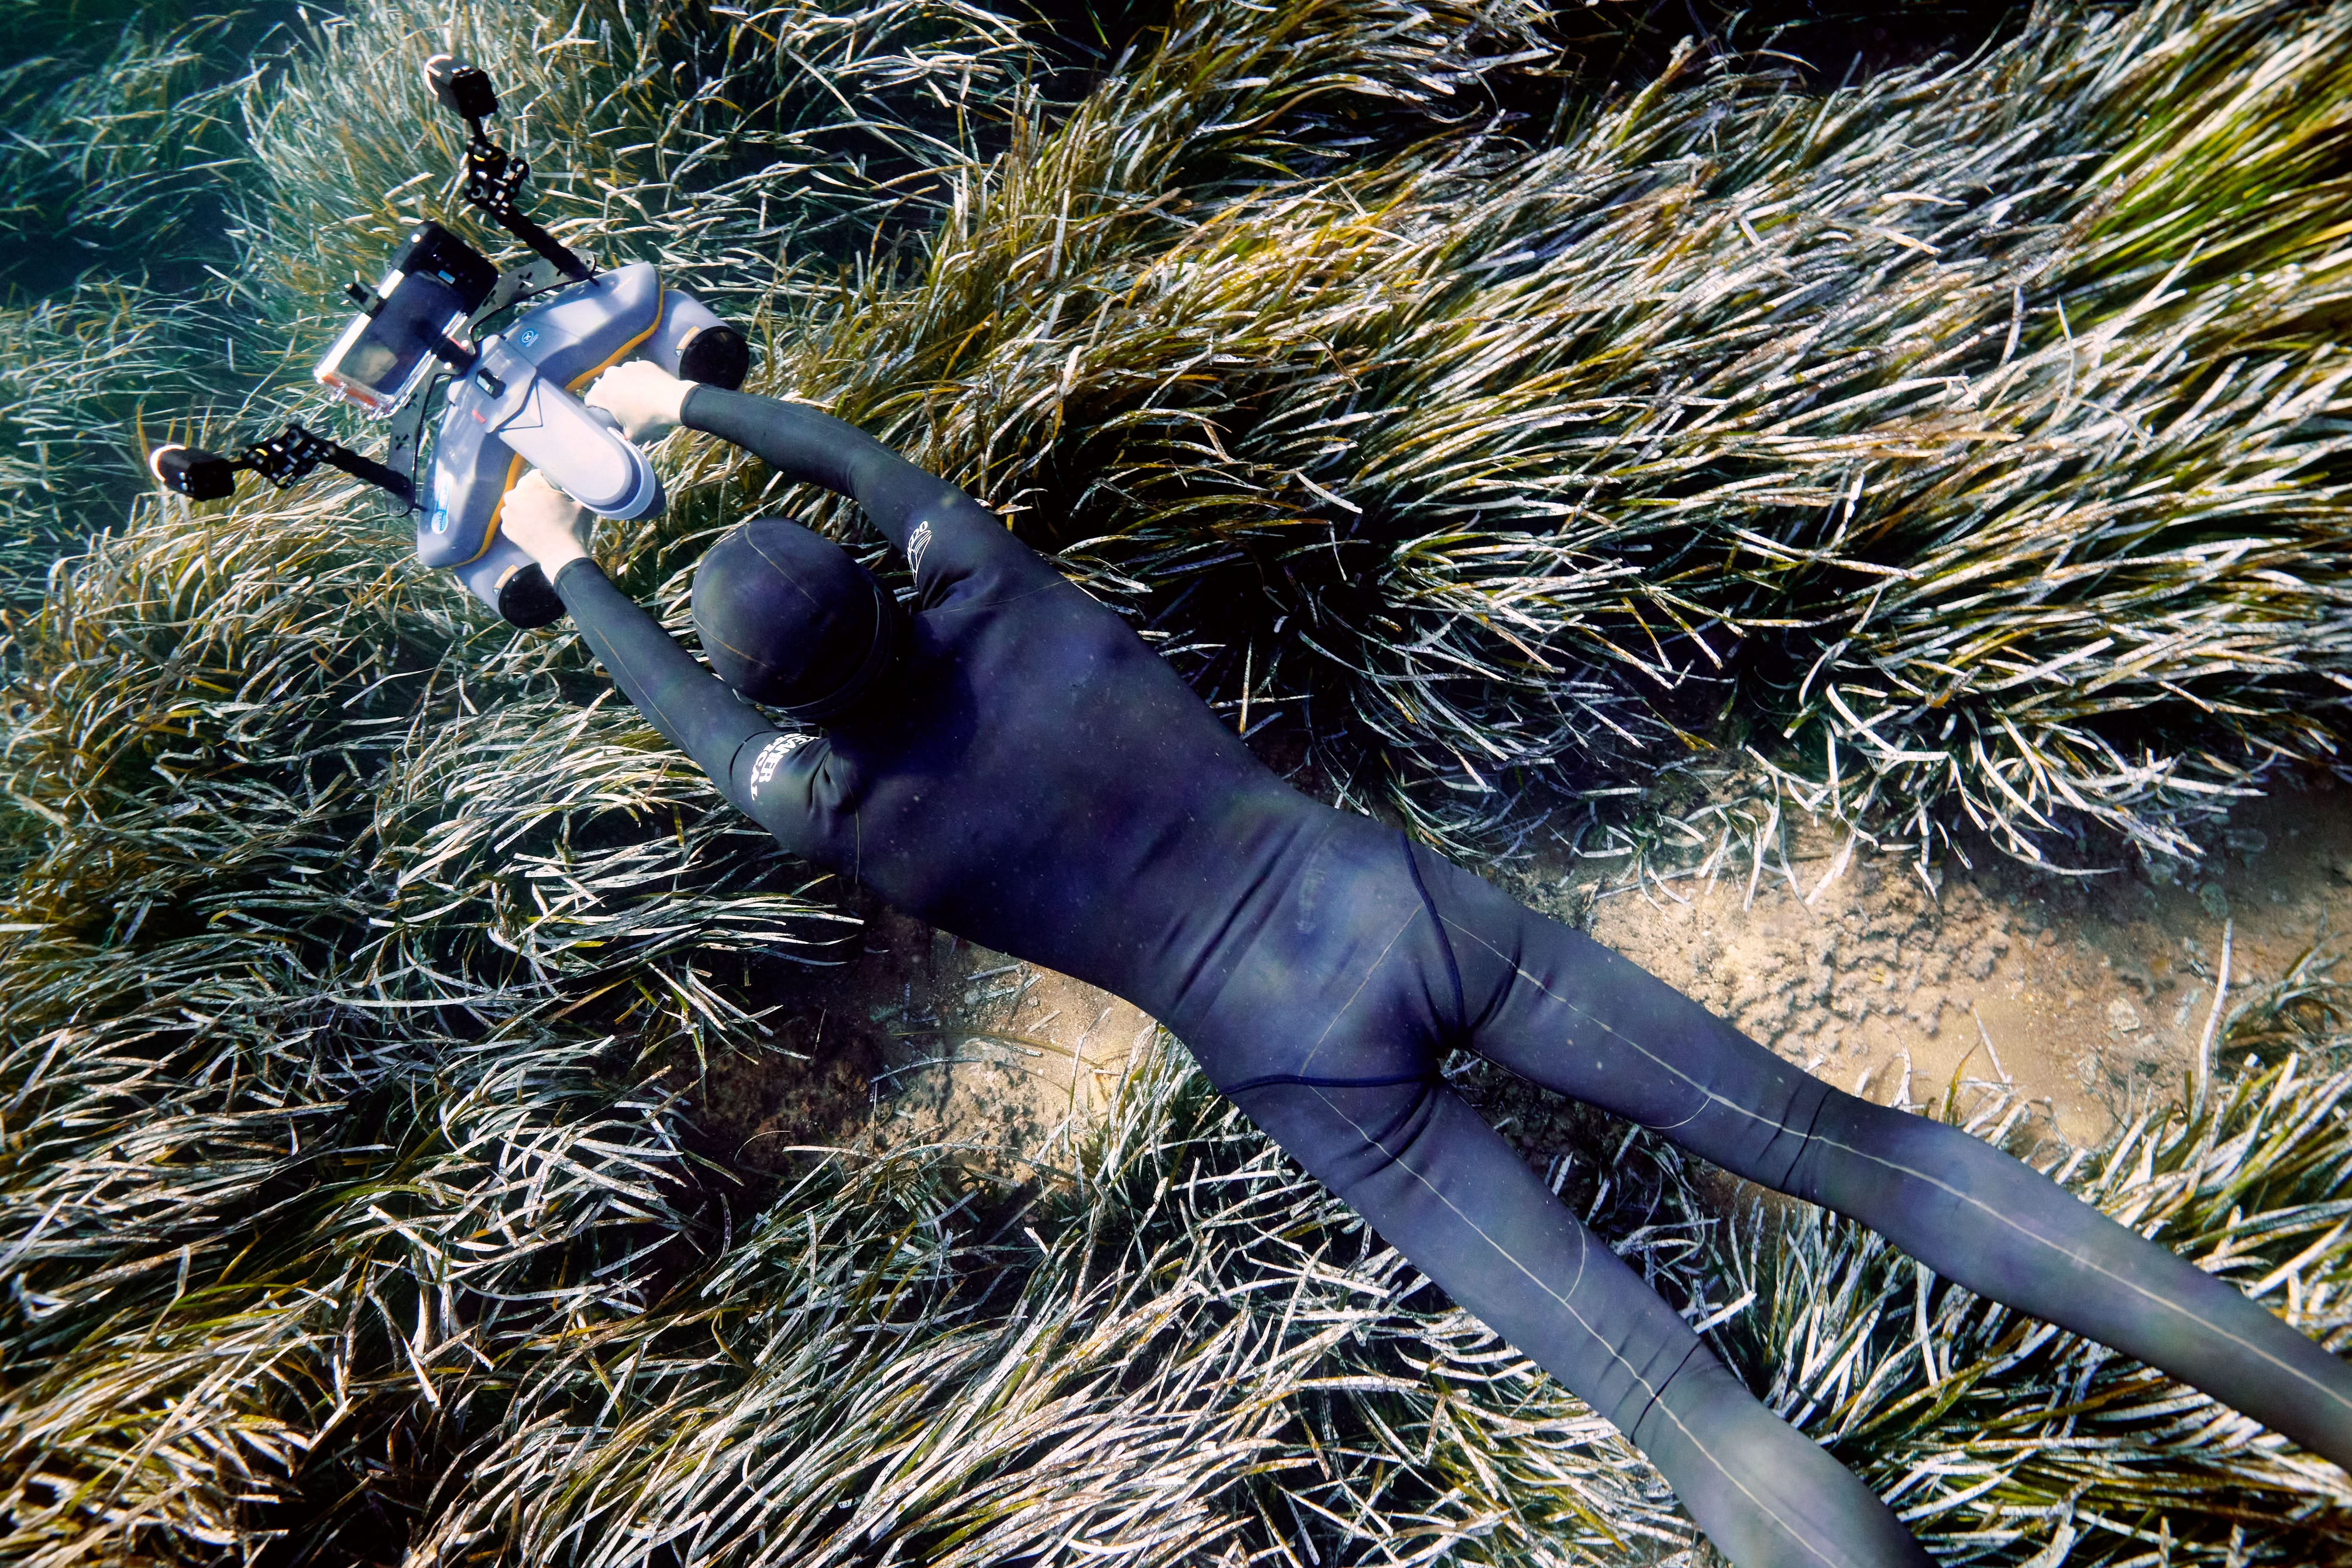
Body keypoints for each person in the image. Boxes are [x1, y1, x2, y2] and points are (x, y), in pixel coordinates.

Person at [495, 360, 2352, 1568]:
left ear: (776, 706)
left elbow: (671, 700)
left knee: (1680, 1413)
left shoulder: (836, 810)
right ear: (889, 591)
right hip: (1408, 910)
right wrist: (682, 397)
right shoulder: (998, 588)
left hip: (1309, 1072)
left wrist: (553, 558)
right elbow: (861, 463)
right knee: (1855, 1151)